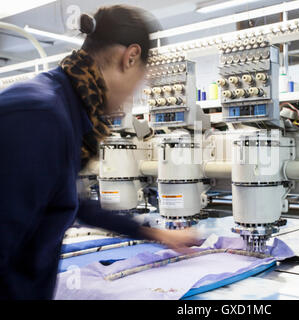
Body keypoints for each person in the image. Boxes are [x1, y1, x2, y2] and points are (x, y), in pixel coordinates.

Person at [0, 5, 198, 300]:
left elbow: (70, 203)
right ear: (129, 58)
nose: (131, 98)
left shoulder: (63, 112)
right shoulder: (41, 116)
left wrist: (155, 234)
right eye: (139, 83)